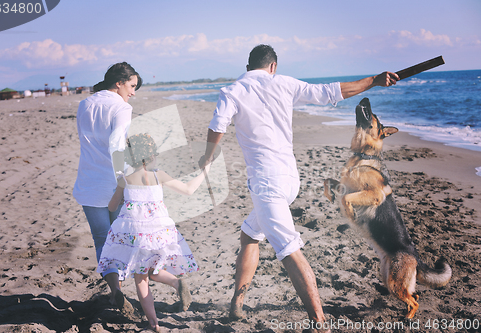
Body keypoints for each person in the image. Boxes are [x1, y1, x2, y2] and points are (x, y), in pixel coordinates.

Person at [199, 44, 399, 330]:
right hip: (290, 179)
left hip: (267, 184)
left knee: (290, 250)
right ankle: (237, 304)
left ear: (248, 67)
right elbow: (333, 92)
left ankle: (319, 322)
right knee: (249, 234)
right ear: (273, 66)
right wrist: (374, 81)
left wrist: (207, 158)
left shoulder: (233, 91)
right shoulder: (284, 83)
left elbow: (218, 125)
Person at [98, 133, 211, 331]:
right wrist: (205, 171)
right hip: (159, 232)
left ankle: (154, 323)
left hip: (135, 233)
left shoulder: (125, 179)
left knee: (141, 278)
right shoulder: (159, 175)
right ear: (151, 156)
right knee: (152, 270)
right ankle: (177, 283)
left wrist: (123, 198)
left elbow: (111, 207)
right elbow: (188, 190)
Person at [73, 62, 142, 305]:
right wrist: (123, 177)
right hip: (112, 183)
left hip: (88, 183)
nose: (133, 92)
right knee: (120, 237)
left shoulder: (84, 104)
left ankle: (115, 290)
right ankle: (121, 287)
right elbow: (116, 143)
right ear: (119, 83)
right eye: (132, 86)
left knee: (102, 238)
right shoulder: (122, 107)